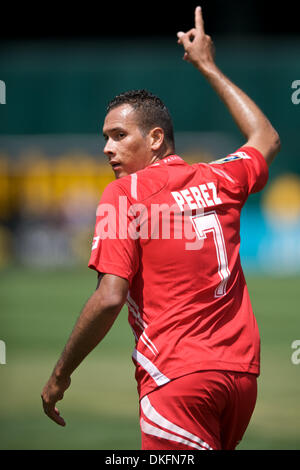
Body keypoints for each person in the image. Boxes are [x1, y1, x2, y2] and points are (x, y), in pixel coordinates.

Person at [41, 6, 281, 450]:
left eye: (118, 135)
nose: (106, 148)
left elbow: (110, 295)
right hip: (241, 376)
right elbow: (265, 137)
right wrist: (208, 65)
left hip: (176, 379)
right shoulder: (221, 178)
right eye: (105, 138)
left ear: (155, 138)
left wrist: (60, 375)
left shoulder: (124, 194)